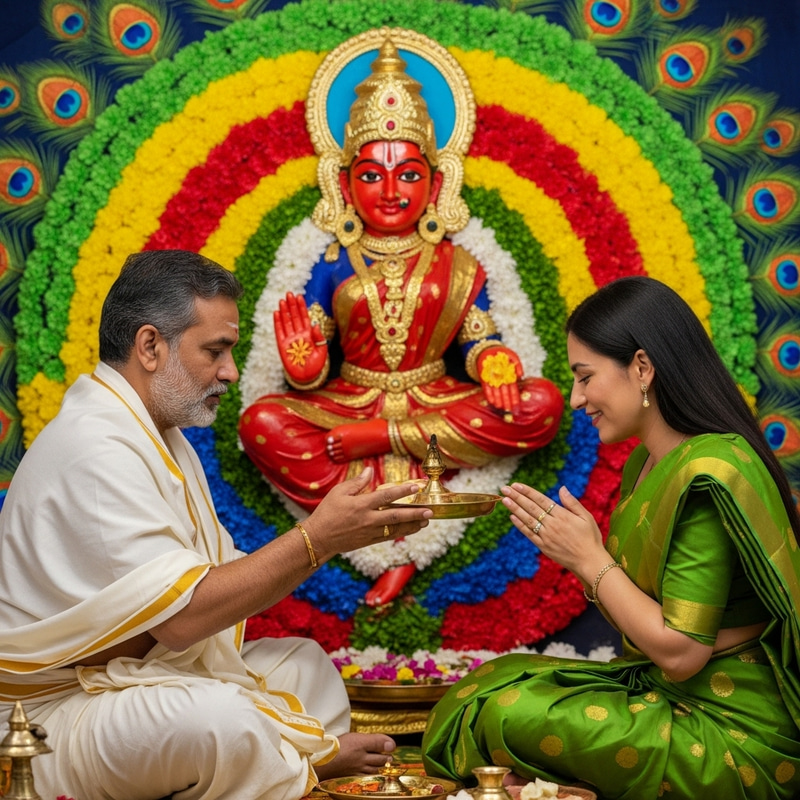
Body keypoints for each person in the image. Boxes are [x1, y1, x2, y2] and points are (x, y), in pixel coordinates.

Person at [0, 249, 435, 800]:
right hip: (44, 715)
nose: (230, 371)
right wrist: (319, 538)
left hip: (129, 676)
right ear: (150, 346)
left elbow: (217, 585)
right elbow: (185, 619)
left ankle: (283, 764)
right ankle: (304, 767)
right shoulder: (96, 444)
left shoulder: (154, 432)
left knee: (302, 666)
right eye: (215, 351)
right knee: (218, 721)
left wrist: (333, 537)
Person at [422, 276, 800, 800]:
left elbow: (682, 653)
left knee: (503, 712)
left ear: (642, 368)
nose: (576, 399)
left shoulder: (708, 474)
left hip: (729, 726)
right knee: (488, 684)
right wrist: (586, 558)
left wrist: (587, 559)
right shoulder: (647, 463)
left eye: (585, 377)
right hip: (663, 689)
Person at [238, 37, 563, 607]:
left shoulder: (457, 261)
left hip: (432, 398)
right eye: (371, 177)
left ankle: (382, 458)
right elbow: (314, 352)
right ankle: (384, 524)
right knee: (260, 422)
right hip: (350, 400)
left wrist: (493, 361)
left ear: (436, 184)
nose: (390, 192)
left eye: (408, 176)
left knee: (541, 404)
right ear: (344, 185)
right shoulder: (333, 262)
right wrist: (306, 367)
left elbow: (478, 339)